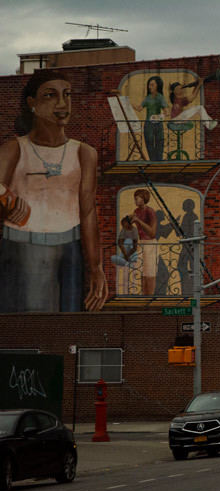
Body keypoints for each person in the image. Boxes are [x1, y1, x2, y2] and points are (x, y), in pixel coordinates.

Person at [0, 70, 107, 312]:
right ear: (32, 104)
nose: (62, 103)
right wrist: (7, 205)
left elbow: (88, 213)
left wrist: (97, 267)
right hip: (20, 249)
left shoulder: (85, 153)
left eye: (67, 94)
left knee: (67, 329)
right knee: (26, 330)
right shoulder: (13, 149)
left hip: (70, 250)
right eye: (50, 95)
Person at [132, 76, 169, 161]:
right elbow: (139, 108)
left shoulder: (160, 97)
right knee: (149, 143)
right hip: (148, 124)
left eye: (153, 85)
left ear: (158, 86)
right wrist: (129, 104)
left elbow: (166, 111)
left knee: (159, 143)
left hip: (158, 124)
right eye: (149, 85)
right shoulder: (147, 98)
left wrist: (158, 117)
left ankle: (158, 162)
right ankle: (152, 161)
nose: (150, 87)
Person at [130, 189, 157, 294]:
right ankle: (144, 296)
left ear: (143, 198)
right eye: (134, 198)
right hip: (140, 243)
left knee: (150, 271)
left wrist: (138, 221)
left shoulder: (150, 211)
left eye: (137, 198)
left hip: (150, 244)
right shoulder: (136, 211)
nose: (135, 200)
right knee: (142, 271)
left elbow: (152, 233)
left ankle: (149, 296)